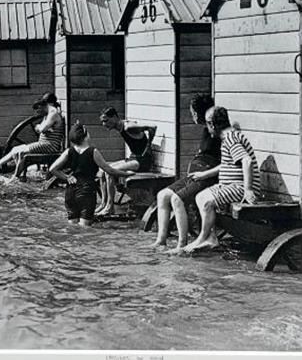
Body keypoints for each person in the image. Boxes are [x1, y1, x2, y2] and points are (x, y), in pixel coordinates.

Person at [185, 106, 260, 252]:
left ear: (212, 124)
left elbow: (246, 160)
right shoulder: (229, 137)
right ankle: (210, 237)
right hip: (231, 185)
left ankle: (204, 238)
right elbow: (226, 164)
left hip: (239, 187)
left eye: (207, 124)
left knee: (206, 201)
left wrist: (248, 189)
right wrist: (204, 175)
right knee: (201, 197)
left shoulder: (231, 138)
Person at [153, 94, 220, 250]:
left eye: (193, 112)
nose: (192, 116)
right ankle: (161, 240)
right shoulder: (206, 130)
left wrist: (204, 173)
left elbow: (223, 163)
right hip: (195, 176)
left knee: (177, 199)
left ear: (198, 113)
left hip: (206, 177)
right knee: (162, 195)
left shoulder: (217, 133)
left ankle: (181, 244)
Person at [49, 122, 132, 226]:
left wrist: (67, 177)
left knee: (72, 225)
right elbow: (109, 170)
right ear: (86, 136)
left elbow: (53, 169)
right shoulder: (93, 151)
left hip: (71, 191)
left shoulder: (68, 151)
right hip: (87, 191)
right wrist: (127, 174)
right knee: (85, 227)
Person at [96, 108, 157, 216]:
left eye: (106, 120)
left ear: (115, 117)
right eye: (102, 122)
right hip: (133, 158)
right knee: (103, 169)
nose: (104, 124)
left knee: (110, 172)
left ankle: (110, 207)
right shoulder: (121, 127)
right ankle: (103, 204)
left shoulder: (128, 127)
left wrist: (149, 144)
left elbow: (152, 127)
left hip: (142, 161)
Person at [0, 93, 65, 179]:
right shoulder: (47, 114)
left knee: (21, 153)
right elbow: (40, 128)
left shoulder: (53, 113)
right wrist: (41, 127)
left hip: (50, 145)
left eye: (38, 110)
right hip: (43, 144)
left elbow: (42, 129)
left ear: (42, 106)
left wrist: (40, 127)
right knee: (15, 149)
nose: (38, 113)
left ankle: (15, 177)